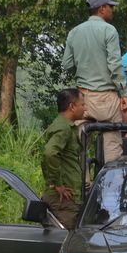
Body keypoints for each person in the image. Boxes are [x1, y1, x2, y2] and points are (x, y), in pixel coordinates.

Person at [62, 0, 127, 162]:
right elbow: (115, 65)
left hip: (82, 98)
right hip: (107, 97)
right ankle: (109, 187)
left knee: (79, 147)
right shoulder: (109, 30)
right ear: (102, 9)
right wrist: (124, 93)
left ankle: (82, 185)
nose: (112, 10)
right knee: (112, 146)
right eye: (110, 7)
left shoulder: (74, 32)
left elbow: (67, 64)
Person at [41, 88, 85, 229]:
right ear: (72, 106)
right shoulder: (64, 128)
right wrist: (57, 184)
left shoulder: (64, 126)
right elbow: (49, 153)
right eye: (82, 105)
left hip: (68, 196)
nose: (85, 108)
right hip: (64, 199)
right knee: (64, 240)